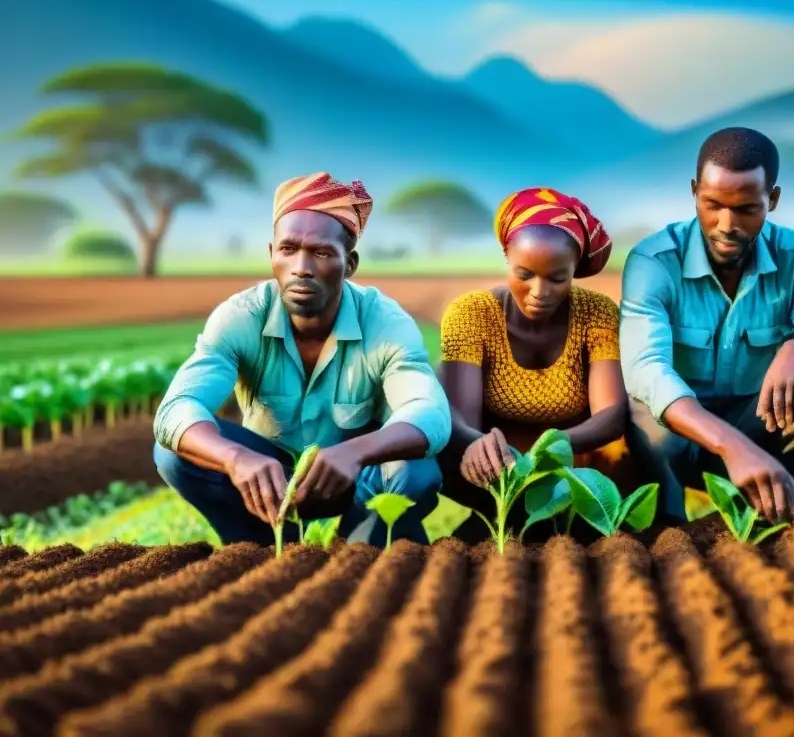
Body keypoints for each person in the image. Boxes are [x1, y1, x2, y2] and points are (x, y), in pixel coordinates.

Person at [153, 172, 451, 548]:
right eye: (288, 249)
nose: (301, 267)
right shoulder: (241, 316)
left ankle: (363, 547)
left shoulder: (385, 323)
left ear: (350, 263)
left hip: (356, 481)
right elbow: (176, 409)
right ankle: (256, 545)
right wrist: (235, 458)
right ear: (271, 254)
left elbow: (431, 414)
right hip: (268, 484)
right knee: (174, 453)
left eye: (322, 253)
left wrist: (354, 452)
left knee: (415, 475)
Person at [620, 127, 794, 526]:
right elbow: (646, 370)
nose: (726, 224)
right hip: (676, 434)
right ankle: (665, 527)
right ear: (694, 192)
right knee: (642, 408)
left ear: (773, 200)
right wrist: (732, 447)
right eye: (712, 205)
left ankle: (765, 515)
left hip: (758, 422)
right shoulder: (655, 260)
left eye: (746, 208)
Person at [438, 187, 628, 542]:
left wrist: (548, 448)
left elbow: (612, 415)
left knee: (633, 452)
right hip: (495, 470)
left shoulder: (596, 312)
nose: (539, 292)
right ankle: (496, 523)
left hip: (571, 466)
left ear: (575, 270)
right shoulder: (472, 314)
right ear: (507, 258)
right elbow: (458, 413)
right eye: (524, 275)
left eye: (557, 278)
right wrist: (479, 445)